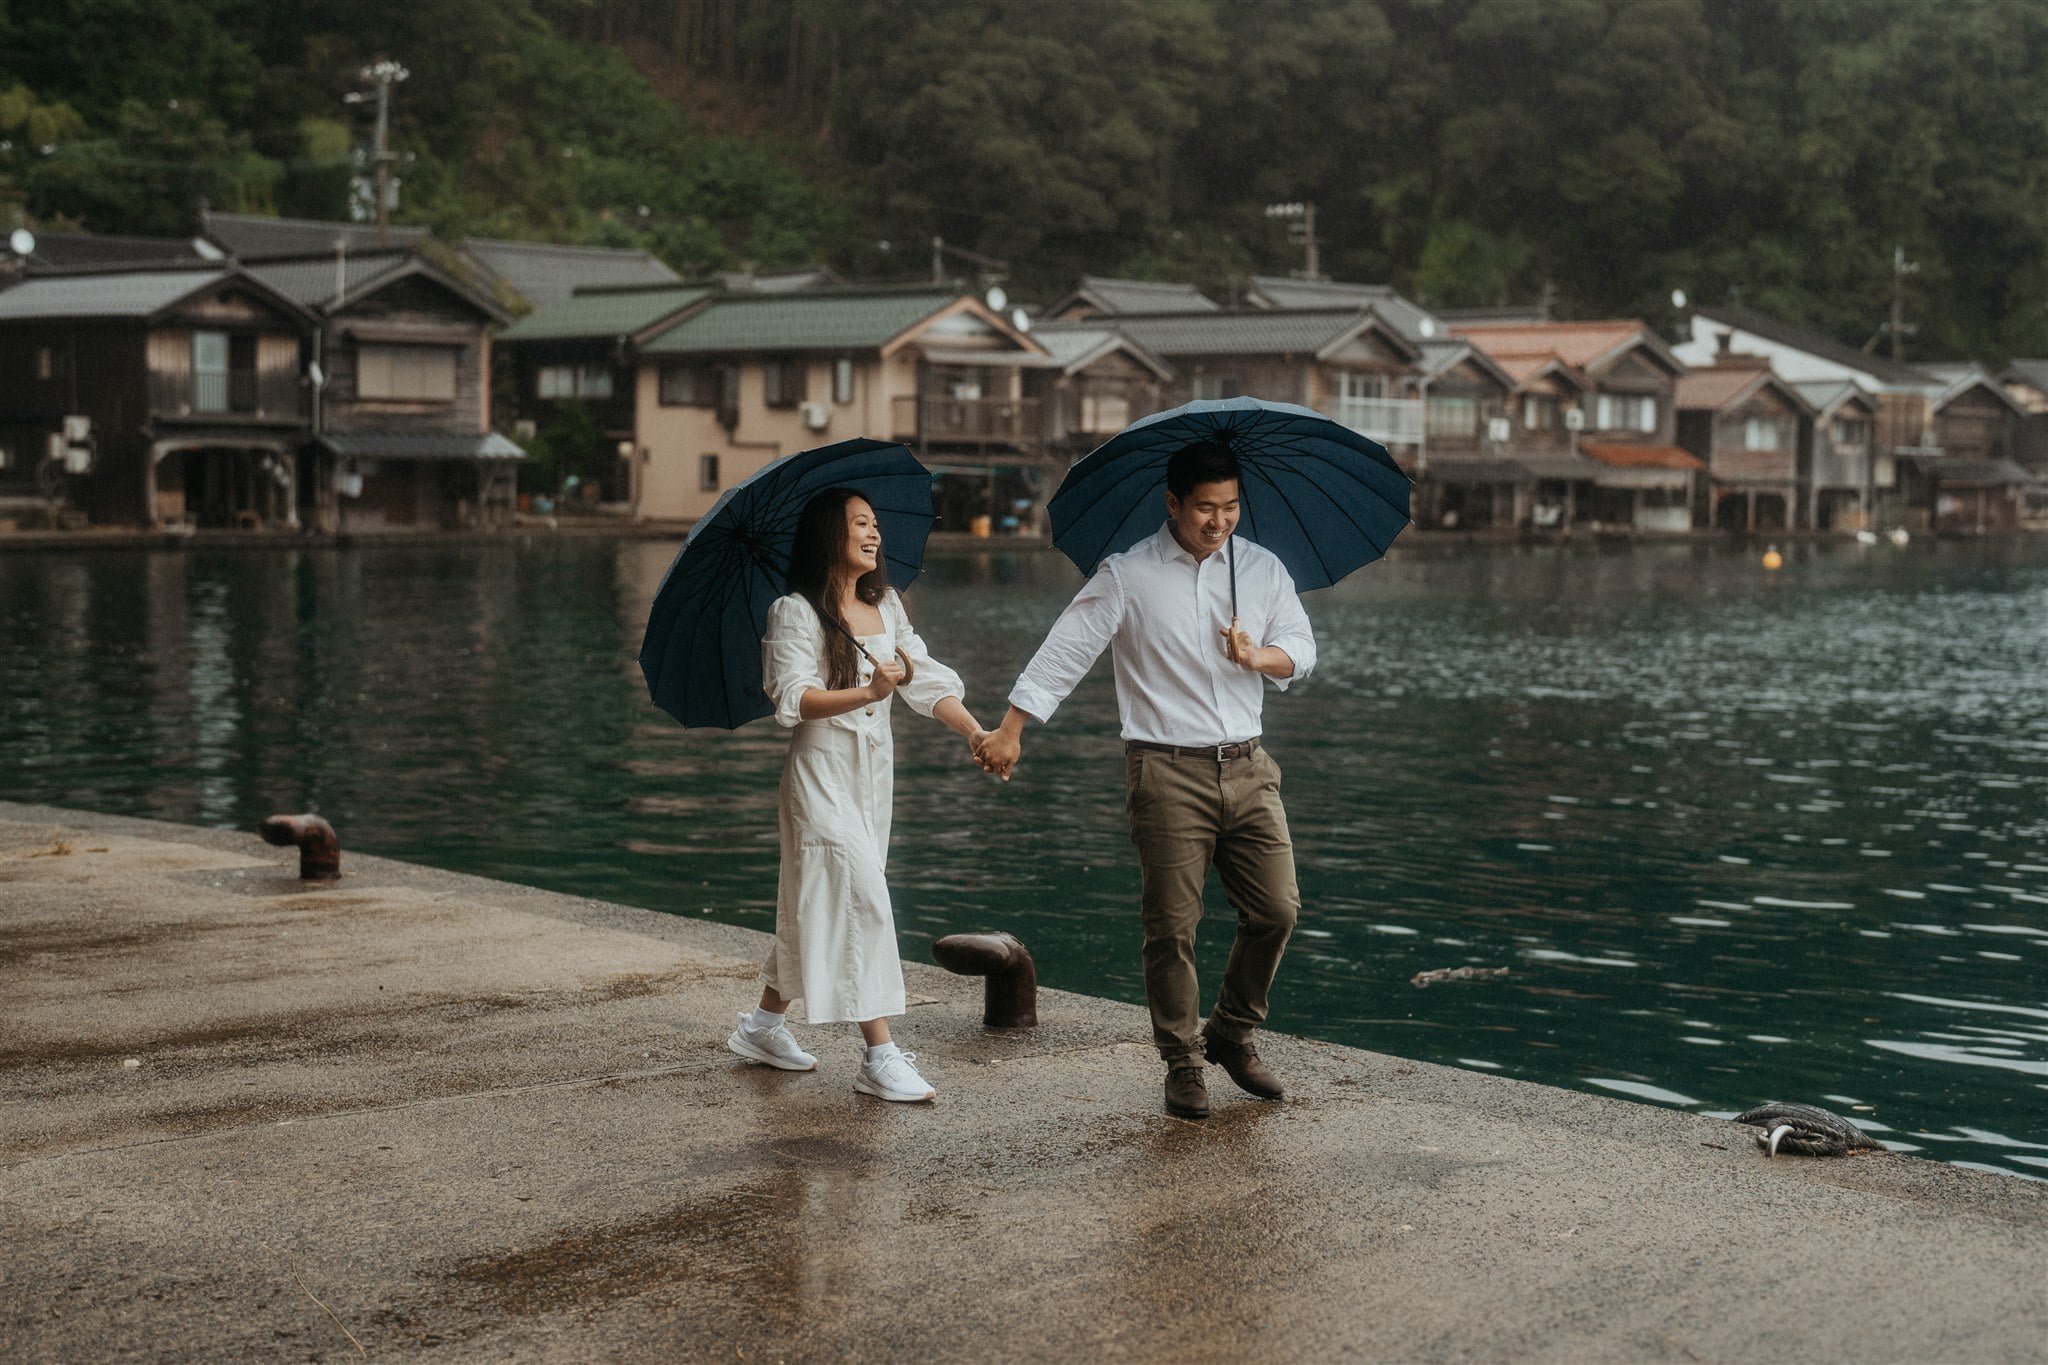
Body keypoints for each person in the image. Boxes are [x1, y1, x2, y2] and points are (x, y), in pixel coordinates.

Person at [975, 441, 1315, 1119]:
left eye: (1230, 507)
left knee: (1278, 908)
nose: (1219, 521)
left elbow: (1301, 651)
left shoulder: (1261, 569)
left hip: (1249, 765)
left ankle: (1230, 1031)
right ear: (1173, 503)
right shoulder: (1127, 574)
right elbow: (1066, 648)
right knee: (1172, 926)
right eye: (1204, 508)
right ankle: (1183, 1058)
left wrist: (1259, 654)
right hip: (1165, 768)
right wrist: (1011, 727)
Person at [726, 487, 988, 1103]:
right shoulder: (795, 611)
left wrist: (977, 732)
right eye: (859, 525)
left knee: (817, 902)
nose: (873, 535)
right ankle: (879, 1053)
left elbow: (923, 678)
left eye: (875, 524)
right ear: (828, 536)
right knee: (862, 898)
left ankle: (762, 1027)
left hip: (873, 775)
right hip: (820, 773)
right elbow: (794, 698)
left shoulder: (887, 605)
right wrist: (869, 694)